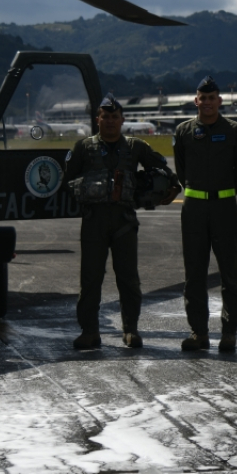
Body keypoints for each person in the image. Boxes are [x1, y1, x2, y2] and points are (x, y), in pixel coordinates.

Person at [66, 94, 173, 350]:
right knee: (90, 278)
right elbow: (67, 181)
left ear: (122, 120)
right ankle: (90, 331)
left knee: (128, 278)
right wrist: (87, 188)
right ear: (98, 119)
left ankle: (131, 329)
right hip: (94, 221)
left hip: (124, 220)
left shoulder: (136, 147)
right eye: (106, 117)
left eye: (115, 117)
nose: (111, 121)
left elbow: (162, 169)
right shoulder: (83, 148)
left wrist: (167, 188)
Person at [173, 76, 237, 351]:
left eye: (211, 98)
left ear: (219, 100)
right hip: (193, 208)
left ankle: (229, 333)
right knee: (194, 273)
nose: (207, 102)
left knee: (230, 273)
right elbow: (181, 170)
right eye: (202, 98)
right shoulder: (183, 131)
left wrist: (222, 192)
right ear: (196, 101)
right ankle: (199, 333)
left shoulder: (234, 130)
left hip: (224, 207)